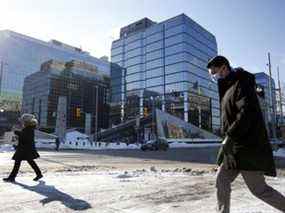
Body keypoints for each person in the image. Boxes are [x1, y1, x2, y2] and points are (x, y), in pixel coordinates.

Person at [207, 56, 285, 213]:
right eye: (211, 73)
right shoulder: (227, 87)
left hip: (248, 148)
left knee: (259, 189)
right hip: (234, 149)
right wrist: (228, 139)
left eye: (214, 72)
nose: (213, 76)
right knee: (221, 180)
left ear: (224, 67)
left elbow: (246, 113)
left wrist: (230, 136)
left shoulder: (241, 83)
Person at [3, 114, 43, 182]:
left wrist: (16, 132)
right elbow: (24, 136)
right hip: (25, 149)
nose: (22, 122)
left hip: (25, 149)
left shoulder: (29, 128)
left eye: (23, 121)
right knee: (28, 162)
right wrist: (17, 134)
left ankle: (12, 177)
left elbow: (25, 137)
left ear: (26, 121)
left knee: (19, 162)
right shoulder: (29, 128)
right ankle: (39, 174)